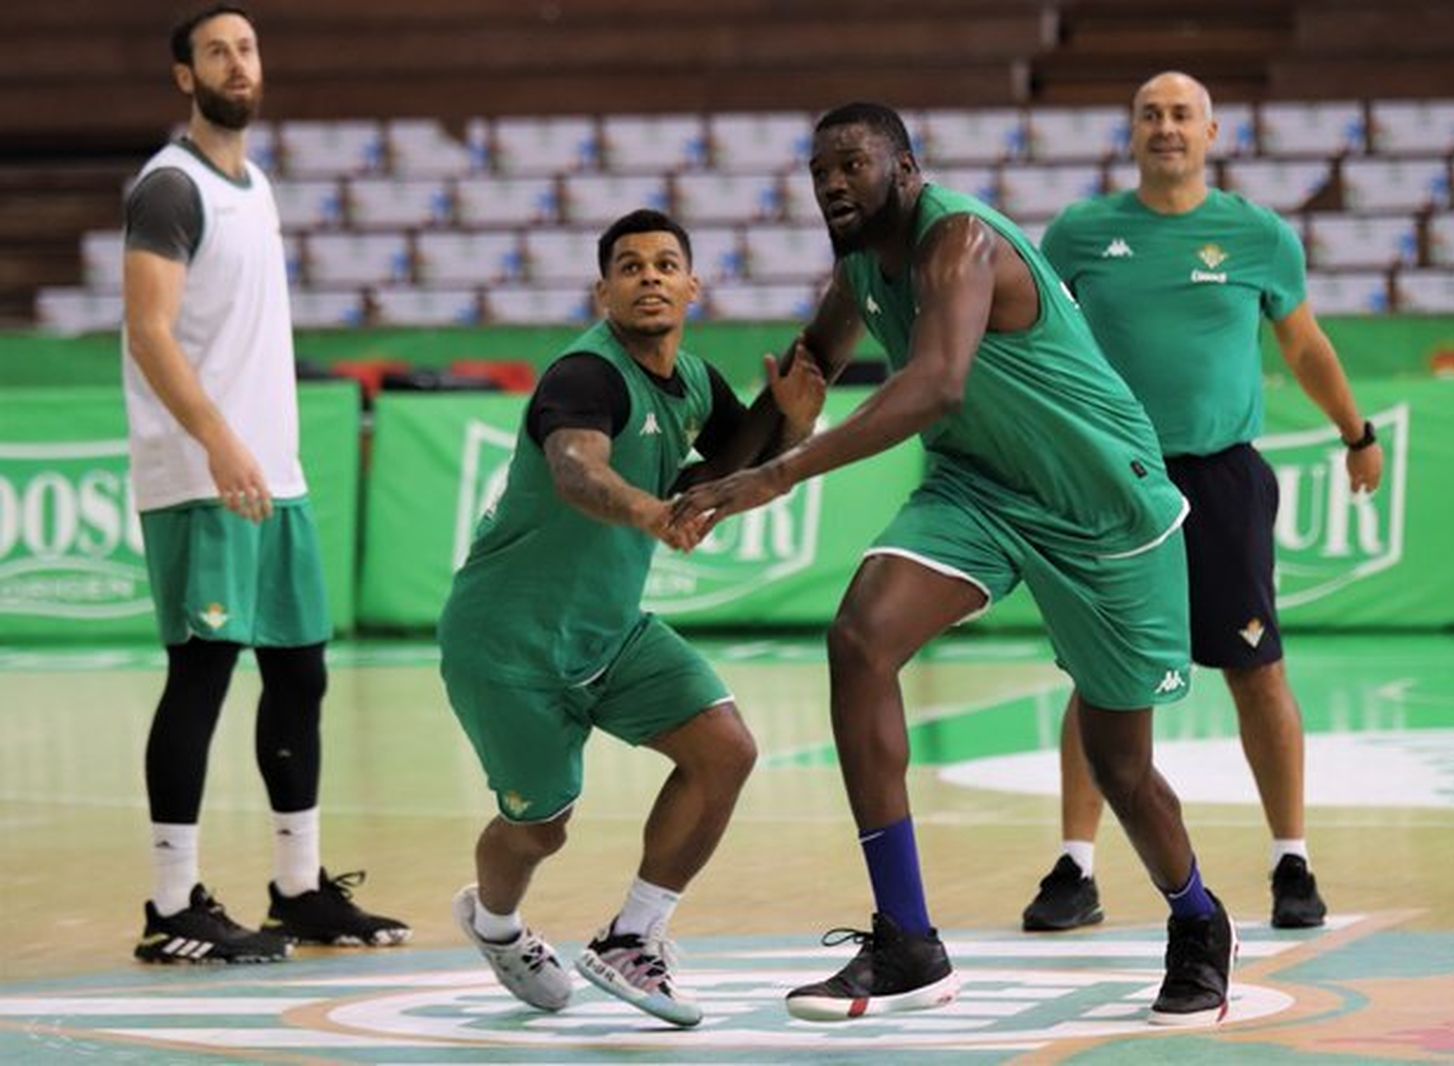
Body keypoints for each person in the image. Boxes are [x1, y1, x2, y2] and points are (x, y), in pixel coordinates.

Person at [670, 103, 1236, 1026]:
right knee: (860, 639)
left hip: (1102, 505)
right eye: (819, 171)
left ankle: (1199, 919)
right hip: (980, 488)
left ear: (906, 167)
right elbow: (809, 368)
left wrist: (777, 476)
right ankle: (907, 940)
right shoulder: (862, 267)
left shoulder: (960, 241)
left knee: (1120, 766)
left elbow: (936, 383)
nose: (832, 183)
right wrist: (706, 482)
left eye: (852, 164)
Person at [437, 209, 826, 1027]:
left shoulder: (698, 383)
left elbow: (732, 474)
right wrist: (652, 512)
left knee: (726, 751)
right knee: (540, 830)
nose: (649, 276)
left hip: (611, 631)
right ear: (603, 292)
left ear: (693, 286)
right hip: (508, 643)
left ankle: (633, 936)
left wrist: (793, 419)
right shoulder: (585, 376)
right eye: (630, 266)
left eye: (665, 264)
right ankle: (496, 924)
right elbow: (576, 471)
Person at [1025, 71, 1384, 935]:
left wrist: (1356, 431)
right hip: (1114, 481)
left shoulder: (1257, 236)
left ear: (1211, 132)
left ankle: (1291, 859)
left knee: (1257, 670)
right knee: (1098, 674)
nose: (1166, 127)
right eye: (1150, 113)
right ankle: (1076, 867)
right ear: (1131, 131)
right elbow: (1033, 341)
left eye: (1182, 114)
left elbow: (1305, 344)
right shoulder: (1079, 233)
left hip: (1223, 479)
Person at [123, 3, 408, 965]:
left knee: (299, 673)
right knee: (202, 671)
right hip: (202, 473)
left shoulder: (258, 183)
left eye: (246, 48)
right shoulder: (170, 188)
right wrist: (217, 441)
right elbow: (149, 331)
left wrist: (257, 452)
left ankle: (298, 888)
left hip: (271, 474)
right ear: (185, 76)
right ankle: (172, 905)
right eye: (217, 52)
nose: (237, 64)